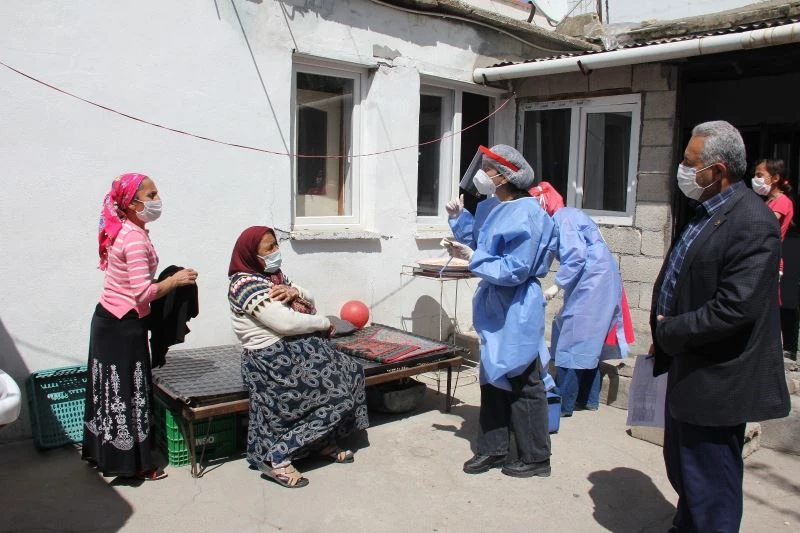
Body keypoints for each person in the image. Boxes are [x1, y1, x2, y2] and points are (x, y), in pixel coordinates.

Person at [651, 121, 791, 532]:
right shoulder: (708, 210)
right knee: (684, 468)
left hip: (718, 378)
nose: (682, 169)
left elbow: (734, 308)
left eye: (689, 162)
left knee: (712, 483)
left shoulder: (753, 222)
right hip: (687, 362)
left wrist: (670, 329)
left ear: (717, 170)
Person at [228, 226, 369, 489]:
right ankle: (278, 456)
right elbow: (285, 323)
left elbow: (308, 298)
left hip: (296, 348)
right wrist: (323, 322)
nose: (276, 251)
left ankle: (322, 441)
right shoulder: (244, 285)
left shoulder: (274, 276)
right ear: (250, 254)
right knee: (335, 395)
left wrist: (297, 292)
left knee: (351, 371)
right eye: (269, 248)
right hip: (270, 358)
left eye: (276, 245)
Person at [445, 144, 555, 478]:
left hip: (517, 303)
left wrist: (473, 258)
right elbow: (481, 244)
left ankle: (536, 457)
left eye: (489, 168)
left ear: (505, 176)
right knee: (492, 376)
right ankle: (493, 448)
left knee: (523, 378)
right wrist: (459, 219)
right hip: (495, 302)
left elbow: (515, 268)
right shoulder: (495, 207)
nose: (482, 174)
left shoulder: (528, 213)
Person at [83, 173, 198, 480]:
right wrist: (176, 280)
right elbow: (143, 293)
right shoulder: (134, 239)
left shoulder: (126, 229)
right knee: (128, 393)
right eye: (151, 195)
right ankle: (133, 464)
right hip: (122, 326)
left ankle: (105, 455)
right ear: (133, 204)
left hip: (108, 320)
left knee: (110, 391)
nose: (157, 199)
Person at [530, 182, 633, 417]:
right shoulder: (568, 216)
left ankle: (563, 404)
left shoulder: (563, 218)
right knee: (588, 343)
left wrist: (556, 286)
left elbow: (575, 257)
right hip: (598, 281)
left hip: (592, 282)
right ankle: (587, 399)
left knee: (572, 340)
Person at [752, 158, 794, 283]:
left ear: (775, 178)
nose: (755, 179)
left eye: (759, 175)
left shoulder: (782, 201)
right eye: (755, 175)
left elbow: (765, 225)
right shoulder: (767, 202)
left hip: (769, 260)